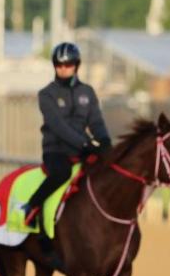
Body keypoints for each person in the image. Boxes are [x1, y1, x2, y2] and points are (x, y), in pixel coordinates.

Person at [21, 42, 111, 229]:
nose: (63, 69)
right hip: (56, 151)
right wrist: (85, 144)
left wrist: (105, 141)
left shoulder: (87, 92)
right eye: (59, 65)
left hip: (83, 150)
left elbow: (96, 122)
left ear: (76, 66)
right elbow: (58, 126)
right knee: (62, 173)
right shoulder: (46, 95)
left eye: (68, 65)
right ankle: (32, 206)